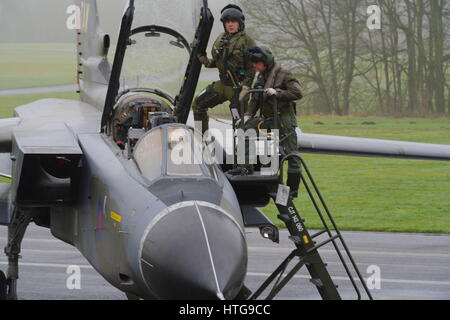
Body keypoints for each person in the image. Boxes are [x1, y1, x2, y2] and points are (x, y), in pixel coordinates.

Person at [231, 46, 304, 198]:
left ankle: (291, 190)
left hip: (284, 119)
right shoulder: (261, 77)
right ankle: (245, 166)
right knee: (244, 130)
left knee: (291, 155)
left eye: (257, 63)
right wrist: (248, 115)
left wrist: (278, 93)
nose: (254, 66)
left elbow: (298, 92)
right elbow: (255, 99)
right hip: (267, 119)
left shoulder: (284, 74)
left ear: (265, 62)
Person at [193, 4, 256, 134]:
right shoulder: (221, 38)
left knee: (240, 124)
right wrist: (204, 60)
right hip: (223, 85)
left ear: (239, 23)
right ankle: (202, 139)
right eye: (227, 22)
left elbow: (252, 68)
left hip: (238, 88)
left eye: (233, 21)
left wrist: (246, 88)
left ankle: (241, 152)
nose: (230, 24)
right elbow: (218, 62)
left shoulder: (247, 41)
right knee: (198, 105)